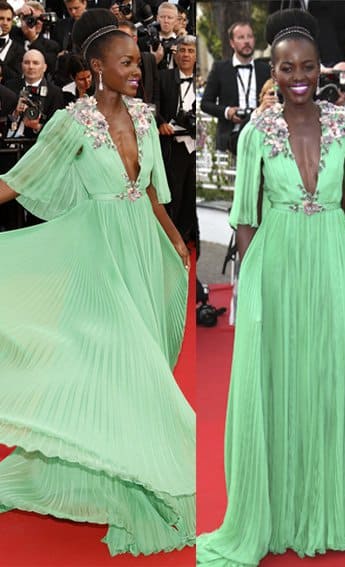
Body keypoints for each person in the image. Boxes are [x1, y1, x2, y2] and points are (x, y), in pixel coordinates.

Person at [197, 9, 345, 566]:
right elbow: (245, 217)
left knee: (332, 372)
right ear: (270, 70)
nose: (298, 76)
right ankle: (284, 500)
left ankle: (334, 495)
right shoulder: (254, 133)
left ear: (321, 67)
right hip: (276, 263)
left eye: (307, 65)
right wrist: (247, 287)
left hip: (333, 260)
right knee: (285, 374)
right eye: (285, 67)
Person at [0, 8, 194, 556]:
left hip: (142, 249)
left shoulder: (145, 113)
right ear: (97, 64)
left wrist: (177, 243)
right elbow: (17, 182)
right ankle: (134, 481)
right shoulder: (70, 122)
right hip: (98, 255)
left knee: (145, 360)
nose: (139, 69)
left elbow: (152, 192)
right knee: (118, 362)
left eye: (139, 61)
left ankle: (122, 470)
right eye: (127, 61)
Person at [201, 20, 270, 152]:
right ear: (232, 43)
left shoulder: (265, 69)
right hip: (231, 137)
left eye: (250, 36)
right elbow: (205, 103)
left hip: (262, 135)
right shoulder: (220, 69)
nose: (246, 41)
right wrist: (228, 112)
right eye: (241, 37)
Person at [157, 34, 196, 246]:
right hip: (173, 145)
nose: (186, 55)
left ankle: (188, 237)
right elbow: (152, 104)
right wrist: (160, 122)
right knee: (174, 193)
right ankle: (169, 239)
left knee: (192, 195)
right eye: (182, 50)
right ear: (176, 53)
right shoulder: (163, 77)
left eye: (190, 51)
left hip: (197, 145)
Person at [0, 2, 26, 84]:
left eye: (8, 19)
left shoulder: (20, 50)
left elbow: (16, 79)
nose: (5, 23)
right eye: (1, 18)